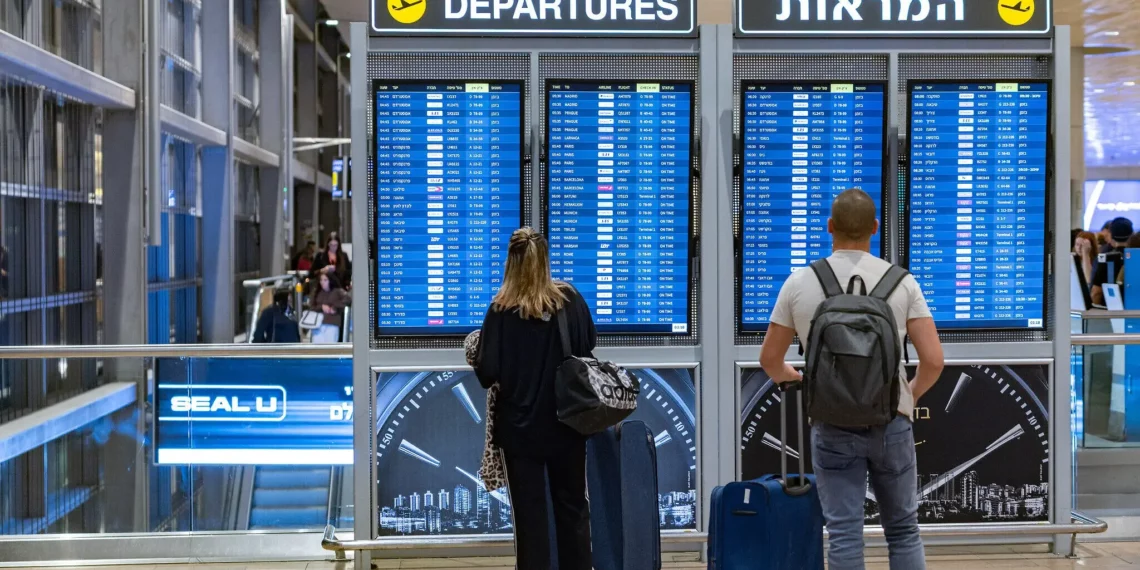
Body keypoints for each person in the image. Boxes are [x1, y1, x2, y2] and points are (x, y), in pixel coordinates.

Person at [759, 189, 945, 570]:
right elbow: (934, 361)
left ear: (830, 227)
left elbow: (770, 360)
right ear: (875, 228)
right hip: (891, 421)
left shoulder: (799, 282)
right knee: (904, 531)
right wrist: (907, 396)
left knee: (844, 534)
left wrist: (799, 380)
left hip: (831, 424)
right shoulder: (902, 283)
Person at [474, 227, 595, 570]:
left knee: (530, 522)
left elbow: (487, 373)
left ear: (510, 263)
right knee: (573, 513)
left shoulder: (499, 311)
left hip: (520, 432)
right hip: (568, 425)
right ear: (545, 260)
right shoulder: (569, 301)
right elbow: (587, 346)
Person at [1092, 217, 1134, 305]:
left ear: (1111, 235)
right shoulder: (1135, 258)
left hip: (1110, 310)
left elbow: (1096, 292)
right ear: (1131, 234)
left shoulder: (1105, 259)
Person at [309, 273, 351, 343]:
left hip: (332, 324)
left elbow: (348, 300)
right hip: (317, 324)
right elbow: (312, 307)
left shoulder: (337, 291)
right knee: (317, 348)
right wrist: (321, 307)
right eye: (321, 280)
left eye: (325, 280)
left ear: (330, 281)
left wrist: (334, 307)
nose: (322, 282)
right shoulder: (317, 292)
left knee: (330, 347)